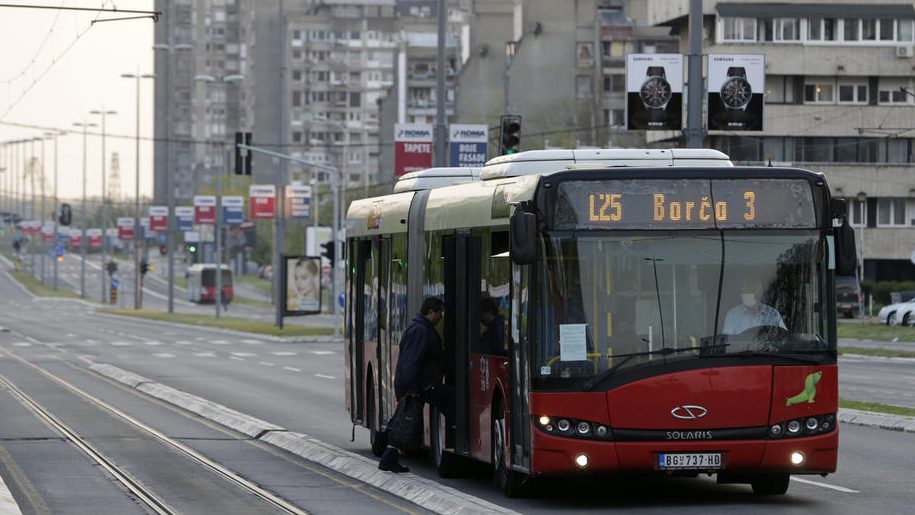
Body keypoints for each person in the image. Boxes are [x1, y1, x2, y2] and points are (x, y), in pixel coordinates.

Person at [378, 296, 454, 473]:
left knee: (405, 422)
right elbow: (411, 362)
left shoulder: (419, 328)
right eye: (440, 313)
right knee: (451, 401)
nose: (441, 317)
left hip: (418, 385)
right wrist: (411, 389)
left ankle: (389, 458)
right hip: (419, 386)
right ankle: (455, 438)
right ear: (431, 312)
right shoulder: (420, 331)